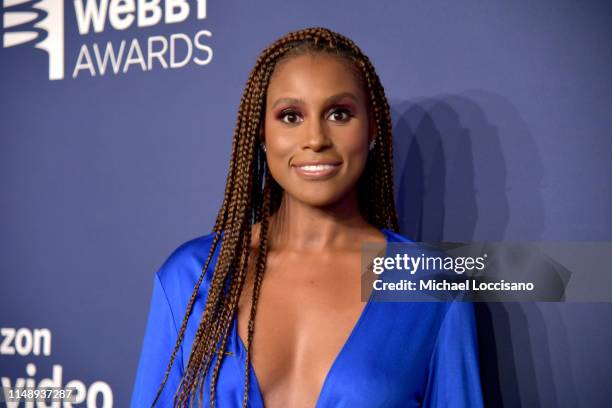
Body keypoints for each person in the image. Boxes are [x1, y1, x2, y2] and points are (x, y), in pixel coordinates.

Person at [130, 27, 483, 408]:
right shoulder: (191, 276)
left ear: (372, 129)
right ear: (262, 133)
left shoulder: (431, 284)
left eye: (339, 113)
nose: (315, 138)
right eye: (291, 116)